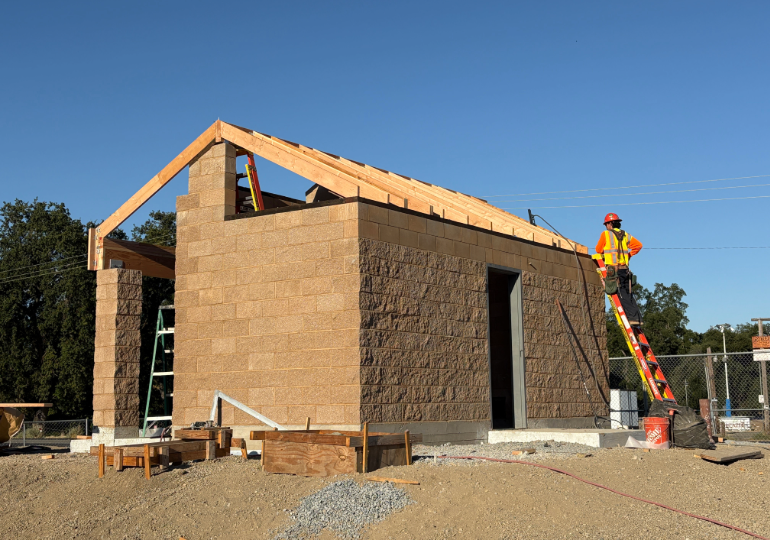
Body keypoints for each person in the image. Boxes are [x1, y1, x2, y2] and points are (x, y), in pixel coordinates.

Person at [596, 213, 644, 326]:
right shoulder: (625, 235)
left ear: (610, 224)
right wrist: (628, 255)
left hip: (613, 270)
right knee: (629, 294)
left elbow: (598, 249)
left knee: (621, 295)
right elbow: (638, 245)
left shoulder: (606, 234)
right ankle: (638, 318)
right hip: (625, 270)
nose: (606, 226)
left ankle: (631, 319)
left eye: (606, 224)